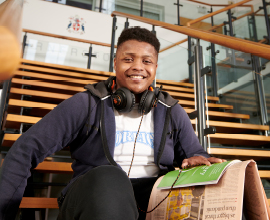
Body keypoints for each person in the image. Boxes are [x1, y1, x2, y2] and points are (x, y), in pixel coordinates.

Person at [0, 27, 225, 220]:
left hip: (152, 201)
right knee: (110, 178)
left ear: (155, 67)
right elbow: (26, 149)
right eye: (128, 59)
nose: (138, 67)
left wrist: (199, 161)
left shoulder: (171, 110)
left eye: (147, 61)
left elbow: (195, 153)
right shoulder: (86, 103)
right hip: (95, 198)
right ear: (115, 62)